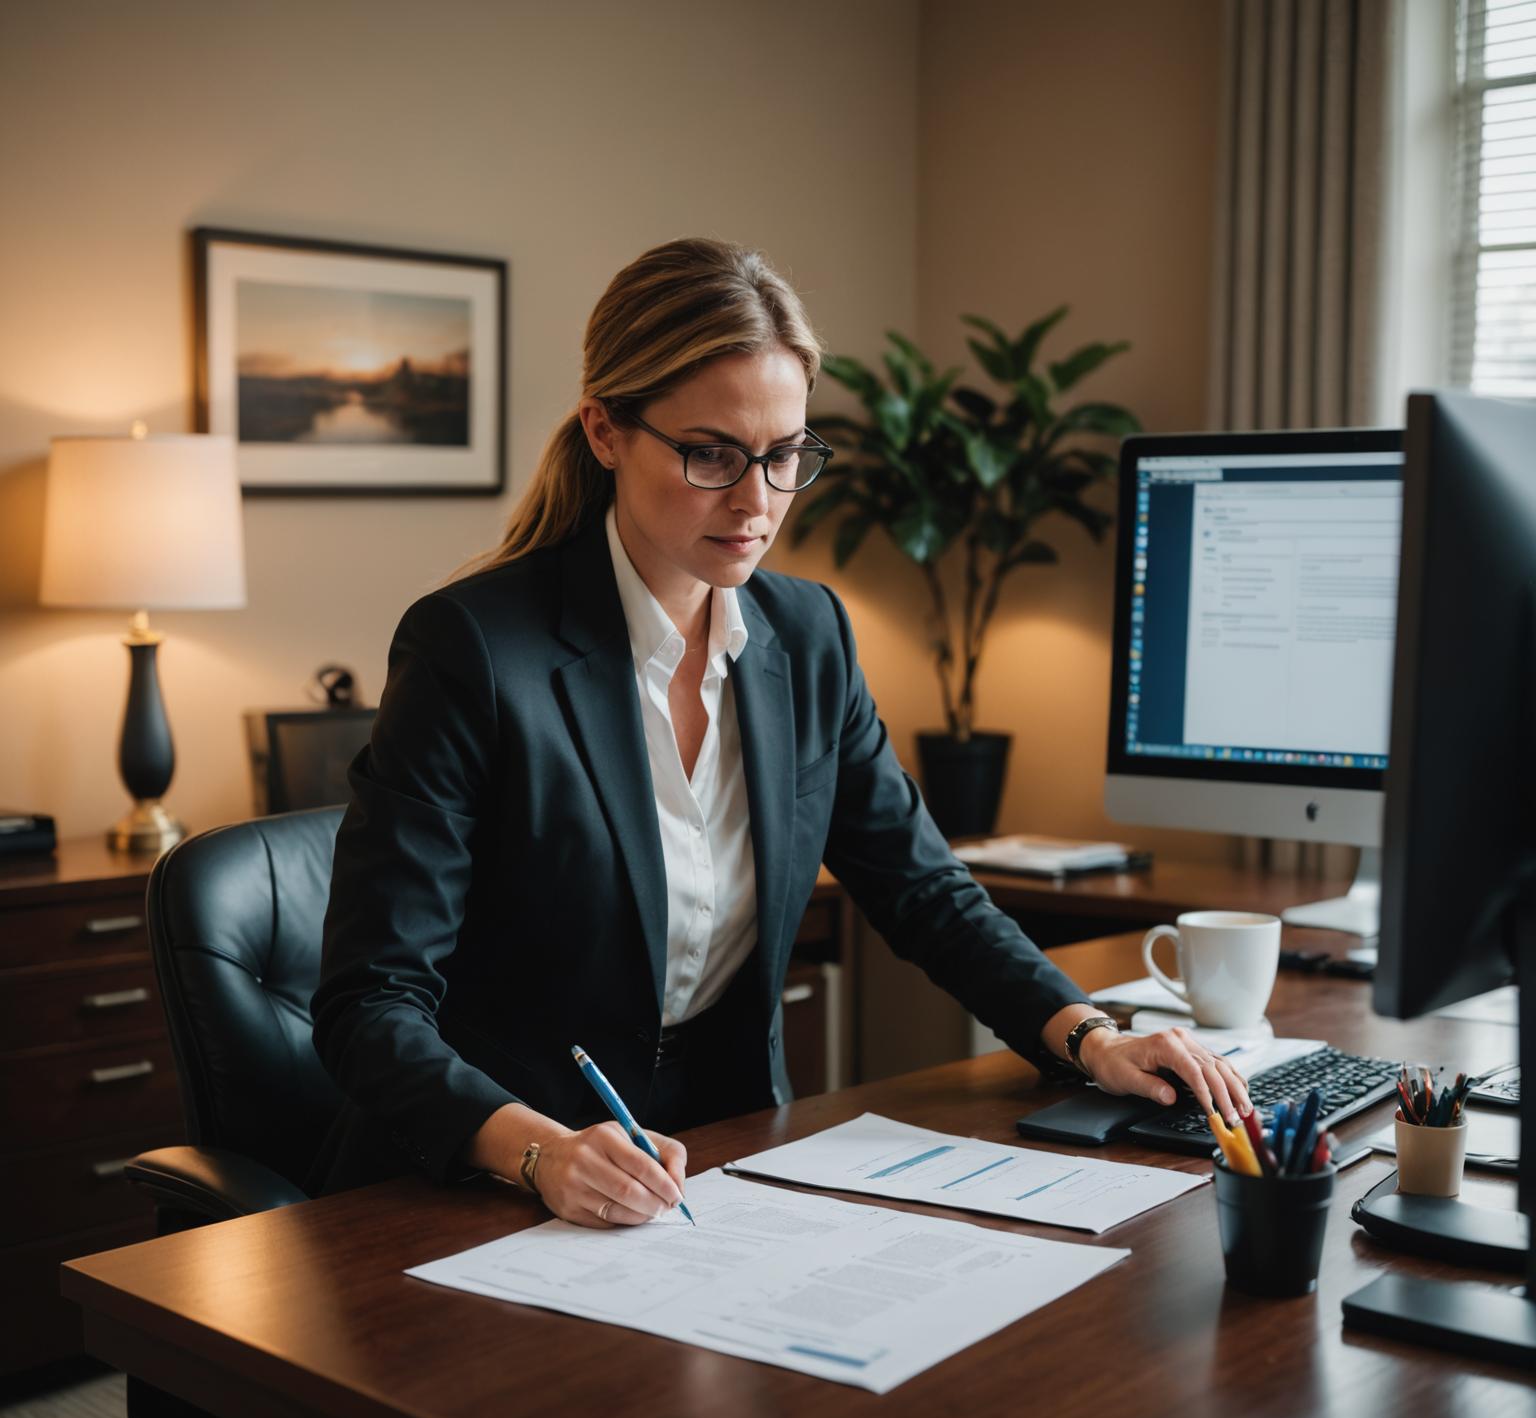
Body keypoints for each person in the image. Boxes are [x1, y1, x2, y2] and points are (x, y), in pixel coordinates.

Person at [308, 236, 1250, 1226]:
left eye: (785, 454)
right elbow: (368, 1007)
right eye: (711, 454)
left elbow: (923, 889)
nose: (757, 501)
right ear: (604, 430)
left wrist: (1090, 1036)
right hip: (478, 1180)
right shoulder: (473, 650)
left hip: (722, 1163)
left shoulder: (806, 634)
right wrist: (538, 1149)